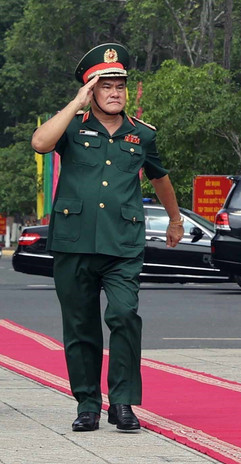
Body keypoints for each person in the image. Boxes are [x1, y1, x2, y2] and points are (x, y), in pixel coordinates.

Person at [31, 43, 183, 433]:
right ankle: (87, 404)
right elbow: (40, 143)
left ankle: (123, 403)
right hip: (74, 241)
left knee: (124, 315)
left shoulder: (142, 135)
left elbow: (160, 177)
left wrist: (175, 219)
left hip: (122, 243)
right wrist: (74, 103)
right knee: (80, 326)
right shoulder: (72, 127)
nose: (115, 93)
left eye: (120, 86)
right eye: (105, 86)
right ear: (91, 91)